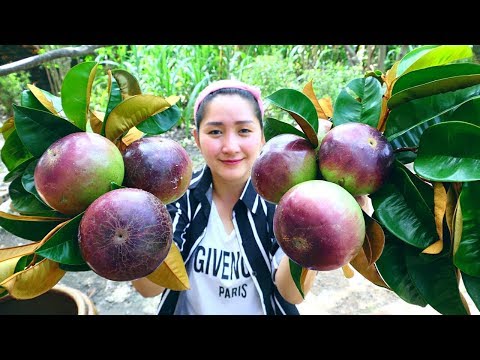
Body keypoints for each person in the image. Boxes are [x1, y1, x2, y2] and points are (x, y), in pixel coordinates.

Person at [132, 79, 317, 315]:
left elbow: (291, 293)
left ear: (262, 136)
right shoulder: (179, 199)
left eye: (244, 131)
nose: (230, 146)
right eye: (215, 131)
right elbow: (149, 288)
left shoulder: (283, 204)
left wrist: (314, 219)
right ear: (197, 138)